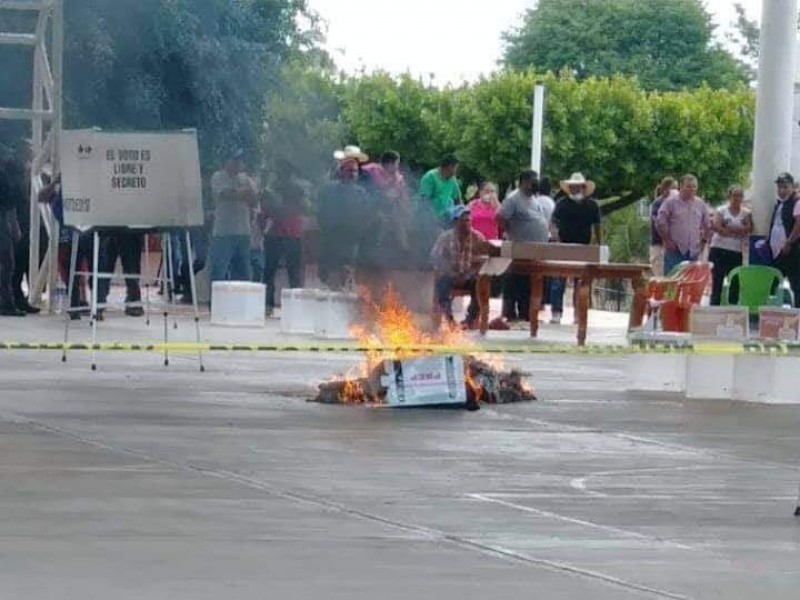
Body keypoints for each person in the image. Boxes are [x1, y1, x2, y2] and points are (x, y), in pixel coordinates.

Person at [498, 171, 554, 323]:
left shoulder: (534, 199)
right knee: (515, 281)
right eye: (532, 181)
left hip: (535, 250)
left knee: (528, 283)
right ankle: (509, 312)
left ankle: (526, 312)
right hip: (519, 249)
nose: (535, 184)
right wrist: (509, 235)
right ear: (523, 182)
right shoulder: (513, 199)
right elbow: (501, 218)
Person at [38, 172, 94, 320]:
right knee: (70, 272)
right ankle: (76, 303)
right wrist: (55, 182)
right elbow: (42, 197)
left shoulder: (81, 188)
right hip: (66, 237)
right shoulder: (57, 190)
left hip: (79, 233)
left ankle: (81, 301)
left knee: (81, 270)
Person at [550, 172, 602, 325]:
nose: (575, 189)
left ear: (583, 187)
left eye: (578, 186)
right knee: (558, 280)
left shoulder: (592, 205)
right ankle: (556, 312)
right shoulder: (561, 204)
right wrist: (556, 239)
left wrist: (599, 244)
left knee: (581, 282)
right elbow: (552, 222)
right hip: (564, 246)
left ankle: (578, 313)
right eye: (573, 187)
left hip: (583, 248)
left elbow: (597, 226)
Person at [430, 205, 493, 328]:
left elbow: (484, 261)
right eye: (462, 220)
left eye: (468, 220)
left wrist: (468, 274)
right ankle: (449, 320)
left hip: (470, 276)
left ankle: (470, 320)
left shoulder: (478, 237)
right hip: (450, 275)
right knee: (442, 285)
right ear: (455, 222)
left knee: (480, 284)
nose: (466, 223)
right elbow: (435, 257)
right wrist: (449, 270)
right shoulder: (445, 238)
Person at [316, 148, 370, 289]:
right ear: (341, 172)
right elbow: (320, 212)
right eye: (348, 170)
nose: (352, 174)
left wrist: (358, 232)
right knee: (327, 273)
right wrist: (328, 227)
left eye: (354, 171)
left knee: (346, 271)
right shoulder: (328, 191)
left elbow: (365, 216)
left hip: (351, 240)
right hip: (331, 238)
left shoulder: (362, 194)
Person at [210, 149, 257, 282]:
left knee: (244, 274)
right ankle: (216, 302)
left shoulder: (246, 178)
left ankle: (240, 302)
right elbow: (226, 194)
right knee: (219, 272)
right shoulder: (218, 176)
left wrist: (244, 193)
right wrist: (243, 192)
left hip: (243, 232)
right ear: (226, 161)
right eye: (235, 160)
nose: (238, 163)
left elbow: (254, 200)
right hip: (223, 233)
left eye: (240, 161)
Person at [263, 177, 308, 313]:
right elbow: (267, 210)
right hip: (277, 234)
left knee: (294, 273)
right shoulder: (271, 190)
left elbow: (305, 208)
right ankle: (268, 305)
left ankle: (296, 306)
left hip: (292, 234)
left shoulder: (298, 190)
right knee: (270, 272)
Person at [656, 173, 711, 276]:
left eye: (694, 187)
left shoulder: (700, 204)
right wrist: (667, 240)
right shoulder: (670, 202)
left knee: (690, 284)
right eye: (689, 186)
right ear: (681, 186)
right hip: (675, 250)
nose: (692, 189)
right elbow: (660, 222)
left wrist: (703, 242)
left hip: (693, 252)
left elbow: (707, 225)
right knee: (672, 284)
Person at [708, 185, 752, 306]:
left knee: (735, 281)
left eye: (740, 196)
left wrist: (729, 228)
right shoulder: (721, 210)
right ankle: (714, 307)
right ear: (729, 196)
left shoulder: (746, 213)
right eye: (734, 195)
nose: (737, 198)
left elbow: (748, 229)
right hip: (719, 249)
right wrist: (738, 229)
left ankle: (733, 307)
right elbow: (718, 227)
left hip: (736, 251)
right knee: (717, 280)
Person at [768, 172, 800, 306]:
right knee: (772, 282)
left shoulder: (797, 201)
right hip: (777, 252)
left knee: (796, 285)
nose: (782, 190)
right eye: (780, 187)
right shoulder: (780, 204)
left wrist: (789, 242)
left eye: (785, 187)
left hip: (791, 251)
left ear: (793, 187)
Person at [0, 155, 24, 316]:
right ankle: (7, 303)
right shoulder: (7, 177)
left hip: (4, 216)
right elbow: (10, 203)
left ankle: (7, 302)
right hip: (3, 217)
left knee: (7, 264)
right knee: (7, 263)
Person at [419, 154, 462, 225]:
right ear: (450, 167)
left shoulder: (452, 179)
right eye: (456, 168)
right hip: (432, 220)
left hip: (449, 219)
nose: (456, 171)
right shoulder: (430, 177)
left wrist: (462, 214)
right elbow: (425, 201)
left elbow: (457, 200)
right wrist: (434, 221)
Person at [650, 177, 678, 277]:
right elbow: (658, 223)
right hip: (659, 244)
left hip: (672, 246)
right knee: (659, 273)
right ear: (666, 189)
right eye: (674, 188)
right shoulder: (658, 203)